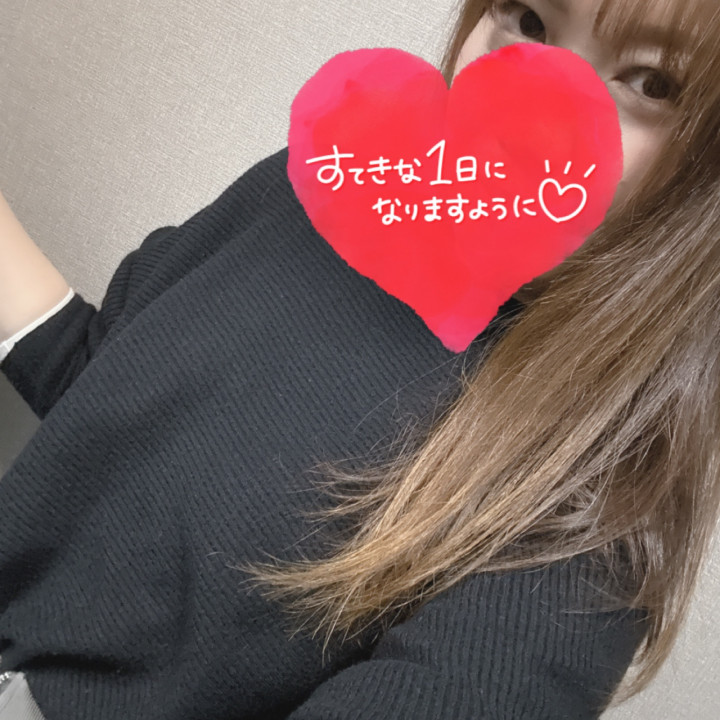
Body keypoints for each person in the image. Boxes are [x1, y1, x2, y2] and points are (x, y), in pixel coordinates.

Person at [1, 0, 718, 717]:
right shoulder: (328, 183)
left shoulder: (595, 512)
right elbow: (106, 392)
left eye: (652, 83)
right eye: (528, 21)